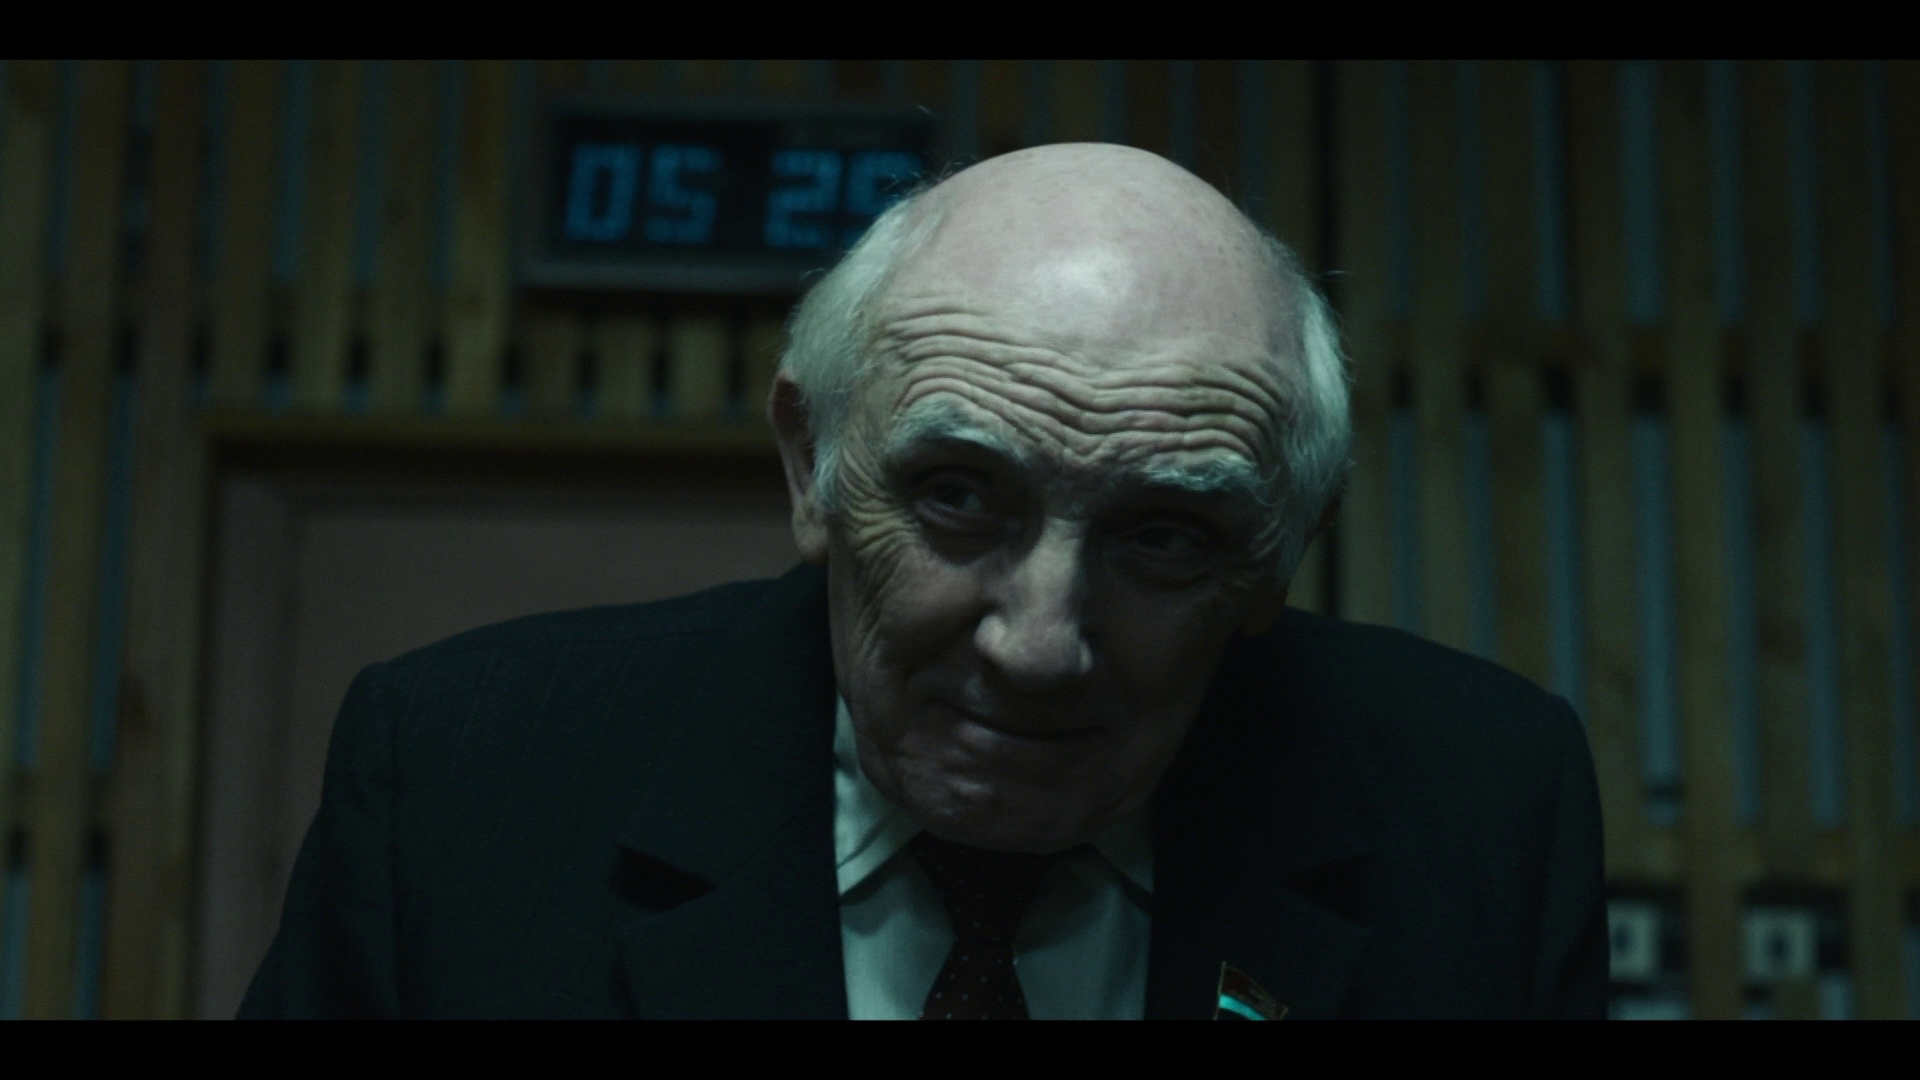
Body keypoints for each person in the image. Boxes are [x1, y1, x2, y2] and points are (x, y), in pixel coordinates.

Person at [241, 143, 1606, 1020]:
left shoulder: (1479, 812)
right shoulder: (466, 786)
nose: (1037, 644)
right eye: (959, 498)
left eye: (1164, 536)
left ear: (1282, 553)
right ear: (811, 463)